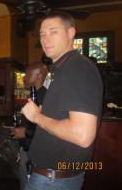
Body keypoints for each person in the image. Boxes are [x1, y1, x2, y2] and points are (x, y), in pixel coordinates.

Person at [22, 11, 103, 190]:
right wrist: (45, 111)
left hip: (53, 180)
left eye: (53, 31)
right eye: (42, 34)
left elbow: (82, 135)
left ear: (70, 33)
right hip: (54, 177)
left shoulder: (77, 67)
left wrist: (37, 117)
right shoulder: (63, 69)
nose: (45, 39)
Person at [11, 62, 48, 189]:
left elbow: (49, 128)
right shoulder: (34, 96)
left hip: (37, 155)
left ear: (38, 77)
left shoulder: (45, 98)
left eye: (27, 74)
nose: (23, 78)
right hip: (27, 151)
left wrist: (25, 132)